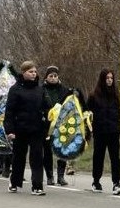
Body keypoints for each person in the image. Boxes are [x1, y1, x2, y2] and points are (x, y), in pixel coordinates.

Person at [4, 61, 50, 195]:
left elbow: (47, 108)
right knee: (19, 157)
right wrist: (10, 130)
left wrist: (48, 123)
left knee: (37, 157)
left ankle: (37, 186)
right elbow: (9, 112)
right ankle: (14, 182)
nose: (33, 74)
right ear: (23, 73)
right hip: (20, 129)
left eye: (35, 72)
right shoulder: (15, 89)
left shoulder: (40, 89)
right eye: (30, 72)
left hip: (36, 129)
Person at [86, 68, 120, 195]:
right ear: (102, 79)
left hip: (114, 130)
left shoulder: (116, 95)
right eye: (107, 78)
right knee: (99, 156)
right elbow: (87, 113)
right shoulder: (94, 96)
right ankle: (96, 181)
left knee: (115, 157)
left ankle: (116, 183)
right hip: (100, 131)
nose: (109, 80)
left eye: (111, 78)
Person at [41, 65, 73, 186]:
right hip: (47, 125)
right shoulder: (42, 90)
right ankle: (50, 176)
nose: (53, 78)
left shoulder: (64, 90)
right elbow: (39, 105)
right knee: (48, 151)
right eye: (51, 76)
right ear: (46, 77)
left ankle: (61, 176)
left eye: (55, 76)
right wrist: (47, 113)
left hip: (62, 124)